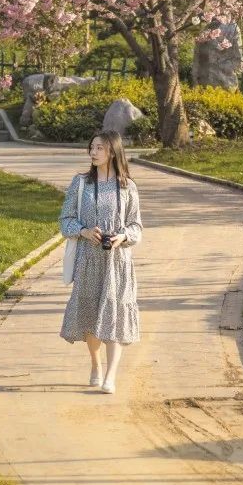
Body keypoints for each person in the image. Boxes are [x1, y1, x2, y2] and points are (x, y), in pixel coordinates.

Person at [59, 129, 142, 392]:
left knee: (114, 318)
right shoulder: (81, 183)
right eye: (92, 147)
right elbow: (65, 221)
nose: (93, 152)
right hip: (88, 260)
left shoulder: (128, 186)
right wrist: (83, 231)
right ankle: (95, 364)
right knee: (91, 316)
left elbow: (137, 226)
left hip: (118, 263)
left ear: (112, 152)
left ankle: (111, 376)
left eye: (99, 148)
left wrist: (123, 236)